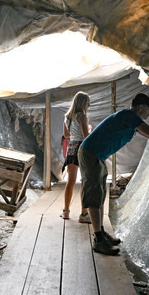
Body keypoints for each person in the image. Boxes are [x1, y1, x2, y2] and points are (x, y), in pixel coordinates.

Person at [78, 93, 149, 255]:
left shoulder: (129, 120)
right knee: (94, 196)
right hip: (90, 153)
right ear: (140, 107)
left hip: (97, 155)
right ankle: (98, 240)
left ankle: (100, 232)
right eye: (148, 110)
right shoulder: (129, 115)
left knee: (100, 195)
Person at [61, 91, 92, 222]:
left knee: (71, 181)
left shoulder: (67, 117)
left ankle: (66, 212)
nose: (89, 105)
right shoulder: (82, 116)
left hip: (71, 148)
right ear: (83, 103)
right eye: (88, 103)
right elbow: (86, 136)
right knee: (85, 182)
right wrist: (90, 129)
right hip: (82, 148)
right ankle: (83, 215)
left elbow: (66, 135)